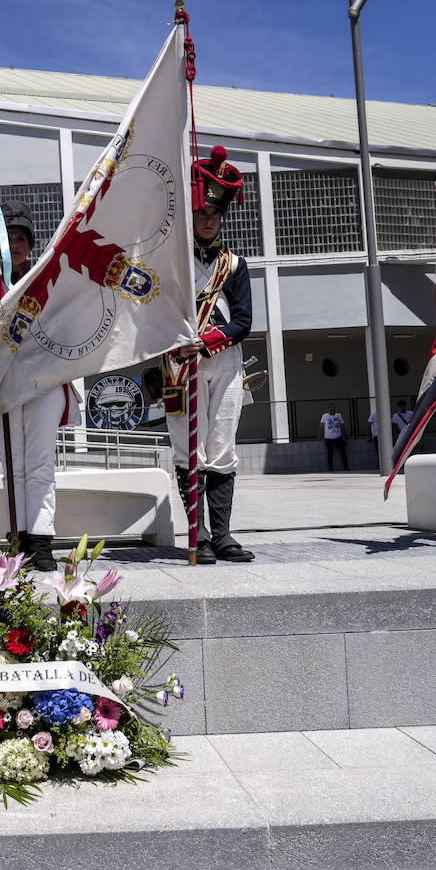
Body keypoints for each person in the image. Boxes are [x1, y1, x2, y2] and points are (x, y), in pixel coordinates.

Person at [161, 147, 255, 564]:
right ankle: (196, 534)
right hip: (180, 366)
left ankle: (223, 535)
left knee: (222, 448)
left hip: (224, 362)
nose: (208, 220)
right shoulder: (173, 263)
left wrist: (209, 341)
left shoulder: (233, 264)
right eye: (202, 214)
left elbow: (244, 321)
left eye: (215, 216)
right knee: (188, 452)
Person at [0, 201, 78, 573]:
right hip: (4, 385)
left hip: (44, 381)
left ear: (30, 246)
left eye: (20, 238)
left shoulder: (47, 280)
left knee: (42, 464)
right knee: (13, 466)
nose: (15, 245)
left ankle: (42, 540)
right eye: (8, 237)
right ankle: (17, 537)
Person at [320, 403, 349, 471]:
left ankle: (346, 467)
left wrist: (346, 435)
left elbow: (342, 426)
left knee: (343, 452)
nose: (332, 409)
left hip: (338, 437)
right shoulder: (325, 416)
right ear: (328, 409)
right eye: (330, 408)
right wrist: (320, 436)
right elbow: (321, 426)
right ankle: (330, 468)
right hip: (328, 438)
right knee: (330, 452)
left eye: (333, 408)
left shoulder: (338, 415)